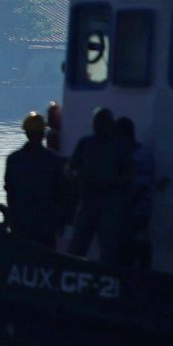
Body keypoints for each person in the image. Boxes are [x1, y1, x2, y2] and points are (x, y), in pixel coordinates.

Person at [65, 107, 132, 261]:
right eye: (96, 123)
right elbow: (69, 167)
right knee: (76, 247)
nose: (98, 126)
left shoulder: (120, 147)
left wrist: (111, 182)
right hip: (88, 202)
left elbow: (130, 175)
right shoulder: (85, 144)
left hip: (110, 205)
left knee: (109, 250)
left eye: (102, 123)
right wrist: (75, 176)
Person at [2, 111, 68, 245]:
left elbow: (10, 191)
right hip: (46, 223)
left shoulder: (13, 160)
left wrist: (12, 217)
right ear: (43, 134)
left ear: (26, 133)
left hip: (22, 220)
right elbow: (61, 193)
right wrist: (61, 220)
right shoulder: (54, 160)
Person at [115, 116, 157, 269]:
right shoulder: (139, 153)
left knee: (137, 247)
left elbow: (142, 185)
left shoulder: (141, 155)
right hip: (126, 211)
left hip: (136, 211)